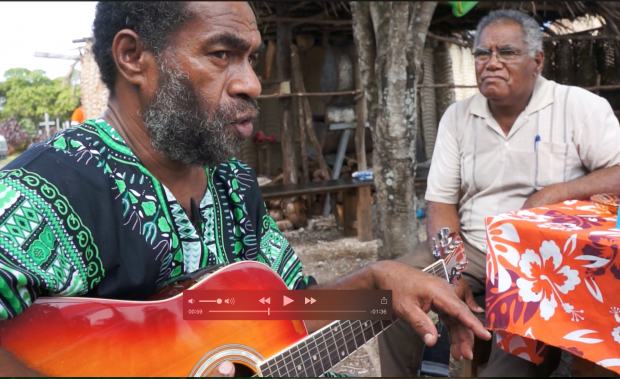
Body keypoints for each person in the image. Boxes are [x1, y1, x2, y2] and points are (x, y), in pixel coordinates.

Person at [0, 2, 491, 377]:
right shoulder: (44, 191)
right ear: (132, 57)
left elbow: (282, 312)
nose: (252, 84)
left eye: (251, 59)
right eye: (222, 55)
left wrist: (376, 287)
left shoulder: (230, 181)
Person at [379, 8, 620, 378]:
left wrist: (559, 191)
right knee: (393, 296)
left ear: (537, 61)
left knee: (510, 363)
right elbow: (441, 204)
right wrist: (451, 270)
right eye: (482, 53)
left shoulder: (578, 107)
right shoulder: (458, 117)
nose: (491, 63)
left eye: (506, 52)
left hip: (542, 259)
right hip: (472, 247)